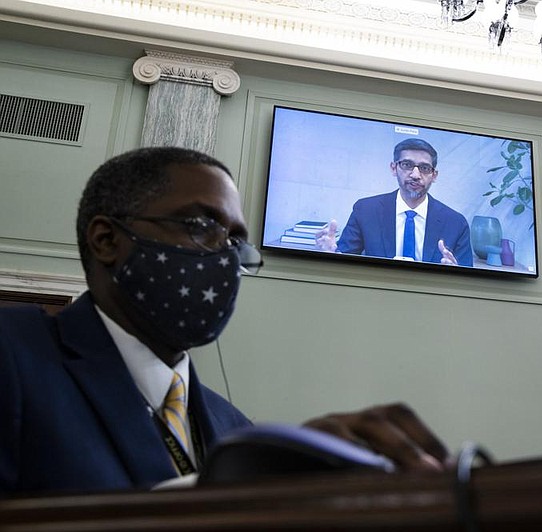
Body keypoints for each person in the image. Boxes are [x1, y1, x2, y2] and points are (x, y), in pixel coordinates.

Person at [0, 147, 448, 495]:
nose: (225, 256)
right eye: (201, 225)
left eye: (236, 242)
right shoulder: (14, 354)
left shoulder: (235, 429)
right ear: (106, 239)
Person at [315, 138, 473, 266]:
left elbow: (468, 283)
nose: (415, 174)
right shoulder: (366, 210)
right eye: (407, 165)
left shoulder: (456, 223)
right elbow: (344, 263)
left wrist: (455, 274)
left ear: (434, 175)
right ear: (393, 168)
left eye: (424, 168)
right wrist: (328, 256)